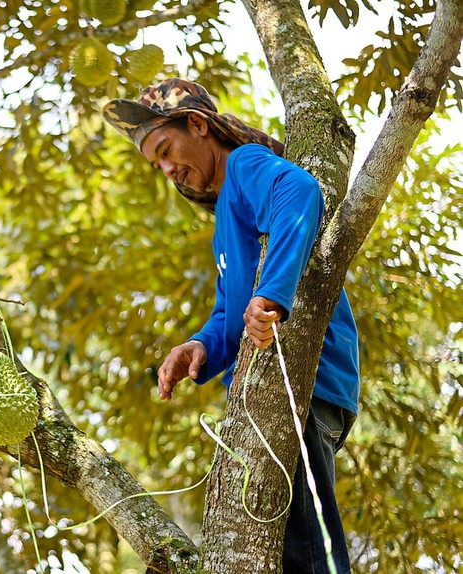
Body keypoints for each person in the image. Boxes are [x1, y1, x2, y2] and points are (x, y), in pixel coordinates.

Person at [103, 78, 360, 574]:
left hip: (305, 386)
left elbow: (300, 190)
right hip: (295, 396)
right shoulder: (226, 213)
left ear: (196, 124)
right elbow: (230, 311)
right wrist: (199, 346)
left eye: (165, 149)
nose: (166, 169)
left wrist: (271, 297)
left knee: (311, 555)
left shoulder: (243, 165)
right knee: (289, 551)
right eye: (156, 164)